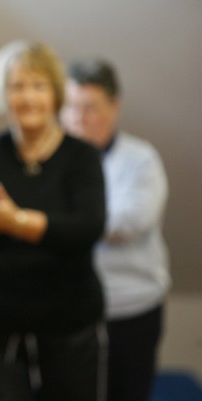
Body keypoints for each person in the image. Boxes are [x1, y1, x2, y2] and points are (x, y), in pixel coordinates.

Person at [0, 40, 107, 401]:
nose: (27, 97)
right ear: (4, 94)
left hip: (69, 323)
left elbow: (88, 228)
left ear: (56, 94)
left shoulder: (82, 157)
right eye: (17, 86)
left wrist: (18, 222)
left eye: (38, 86)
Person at [62, 58, 170, 401]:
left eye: (90, 107)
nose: (79, 117)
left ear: (114, 107)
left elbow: (127, 223)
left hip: (131, 309)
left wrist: (52, 222)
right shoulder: (53, 160)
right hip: (69, 309)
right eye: (71, 107)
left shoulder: (141, 160)